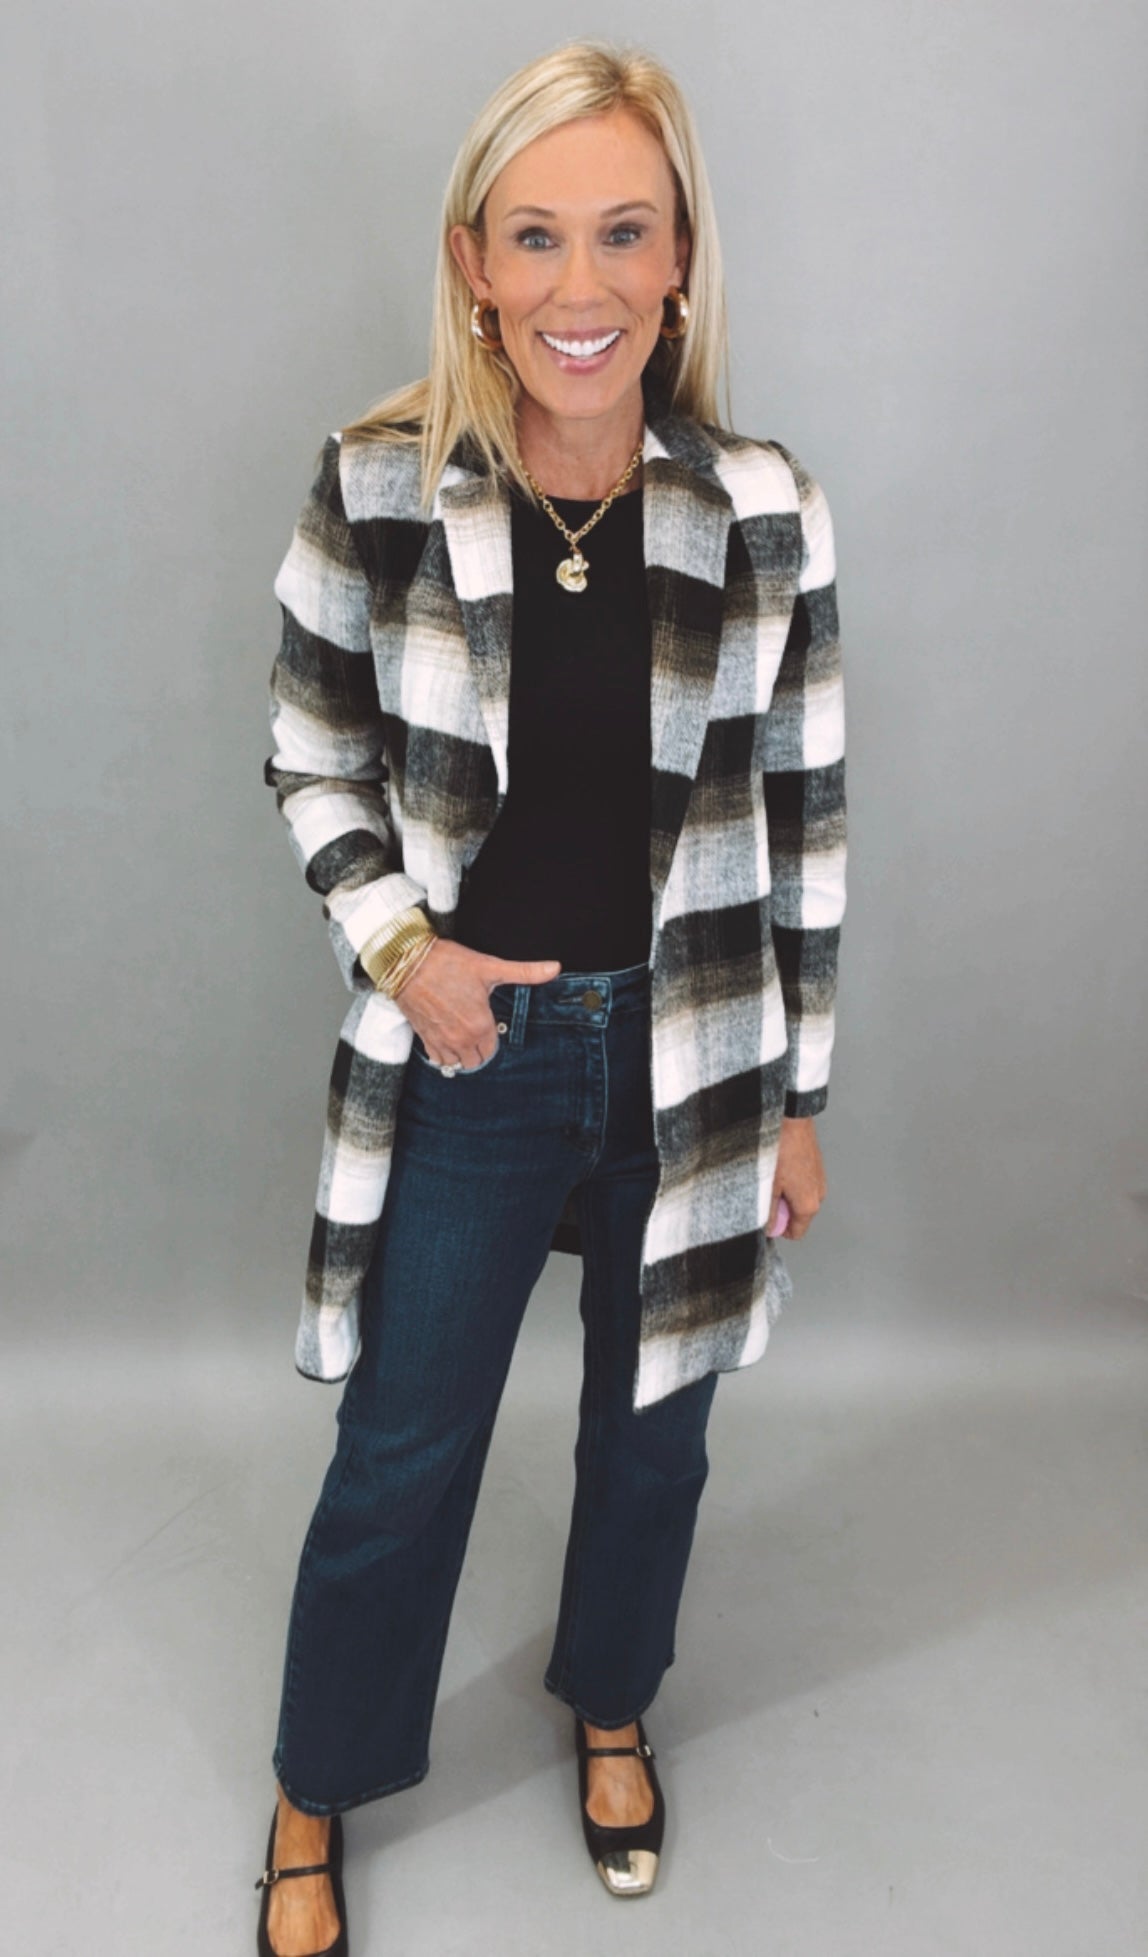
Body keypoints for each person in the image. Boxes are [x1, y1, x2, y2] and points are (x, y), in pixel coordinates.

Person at [254, 37, 846, 1956]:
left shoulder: (764, 507)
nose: (579, 284)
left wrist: (802, 1097)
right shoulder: (380, 486)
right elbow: (310, 753)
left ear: (679, 259)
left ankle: (609, 1698)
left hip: (695, 1047)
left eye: (623, 232)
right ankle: (319, 1778)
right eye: (535, 237)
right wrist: (406, 954)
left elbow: (808, 817)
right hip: (478, 1051)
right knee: (405, 1446)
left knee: (654, 1425)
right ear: (474, 261)